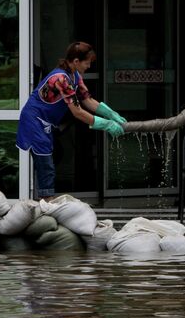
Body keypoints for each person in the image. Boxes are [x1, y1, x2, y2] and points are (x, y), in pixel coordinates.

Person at [16, 41, 126, 200]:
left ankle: (45, 200)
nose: (88, 67)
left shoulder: (74, 76)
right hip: (34, 121)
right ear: (76, 61)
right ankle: (47, 202)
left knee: (47, 161)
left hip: (45, 122)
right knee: (45, 164)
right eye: (87, 63)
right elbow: (78, 112)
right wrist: (106, 125)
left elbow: (87, 100)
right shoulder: (61, 79)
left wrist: (110, 113)